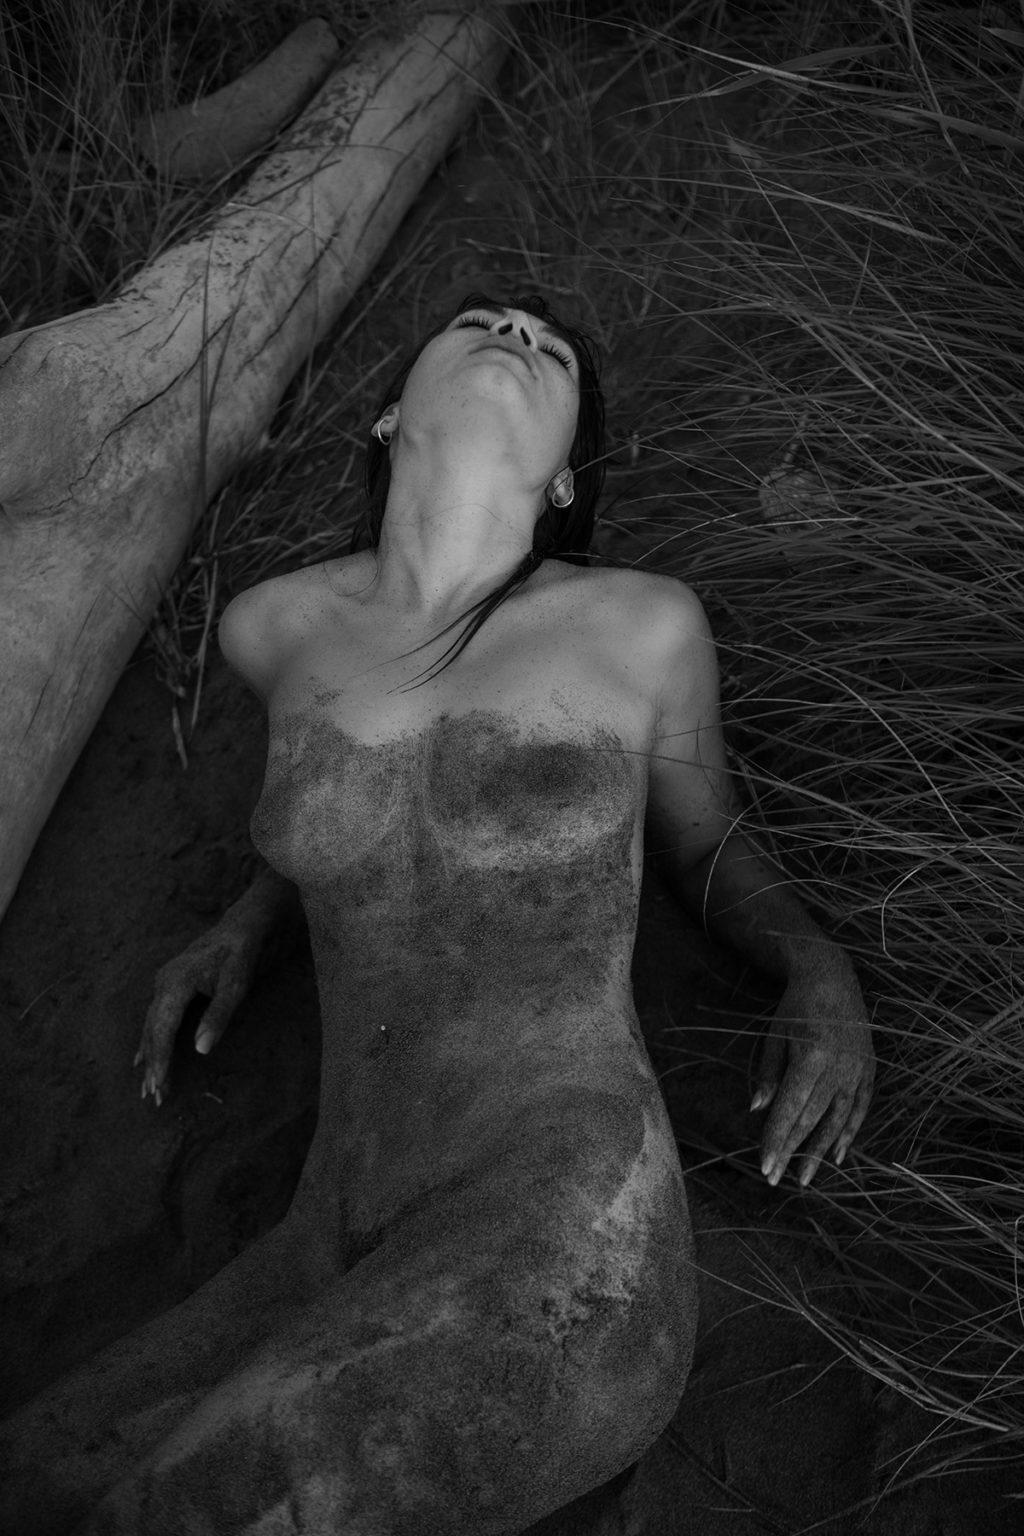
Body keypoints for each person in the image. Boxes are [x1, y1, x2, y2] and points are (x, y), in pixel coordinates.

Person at [0, 293, 875, 1535]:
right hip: (328, 1228)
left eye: (552, 348)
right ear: (385, 415)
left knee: (193, 1503)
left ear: (564, 481)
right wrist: (253, 914)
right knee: (42, 1471)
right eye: (483, 319)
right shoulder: (274, 628)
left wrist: (817, 966)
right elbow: (359, 812)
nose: (516, 334)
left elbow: (705, 844)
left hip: (565, 1210)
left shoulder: (638, 625)